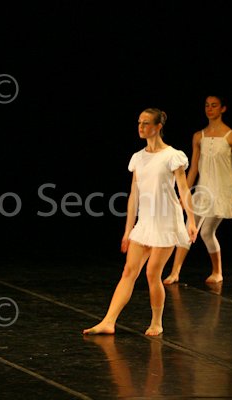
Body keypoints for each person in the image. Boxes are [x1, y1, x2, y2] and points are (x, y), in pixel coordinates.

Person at [83, 108, 197, 336]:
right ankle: (108, 321)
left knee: (152, 273)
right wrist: (128, 230)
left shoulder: (172, 156)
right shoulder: (138, 158)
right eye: (139, 122)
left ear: (158, 127)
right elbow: (134, 195)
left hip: (166, 220)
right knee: (129, 271)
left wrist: (191, 220)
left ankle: (157, 322)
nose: (141, 127)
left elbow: (184, 189)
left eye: (146, 123)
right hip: (146, 221)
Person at [163, 95, 232, 285]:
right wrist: (184, 193)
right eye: (207, 105)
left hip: (223, 190)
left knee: (204, 231)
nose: (209, 109)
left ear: (223, 108)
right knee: (194, 230)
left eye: (214, 105)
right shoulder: (198, 137)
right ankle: (177, 272)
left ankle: (215, 272)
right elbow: (193, 168)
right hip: (203, 190)